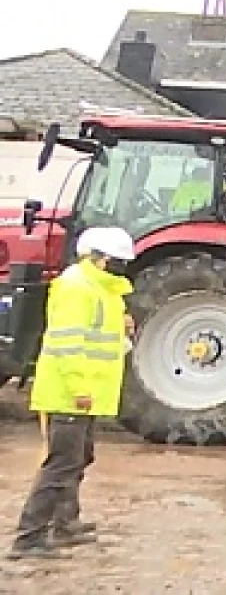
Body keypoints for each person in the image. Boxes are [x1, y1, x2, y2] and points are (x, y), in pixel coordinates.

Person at [9, 226, 136, 561]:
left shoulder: (105, 291)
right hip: (70, 392)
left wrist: (124, 334)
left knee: (79, 457)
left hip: (87, 392)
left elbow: (103, 345)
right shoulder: (77, 288)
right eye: (119, 260)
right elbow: (67, 345)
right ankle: (29, 536)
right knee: (61, 463)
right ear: (101, 258)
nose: (123, 266)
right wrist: (80, 389)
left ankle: (66, 522)